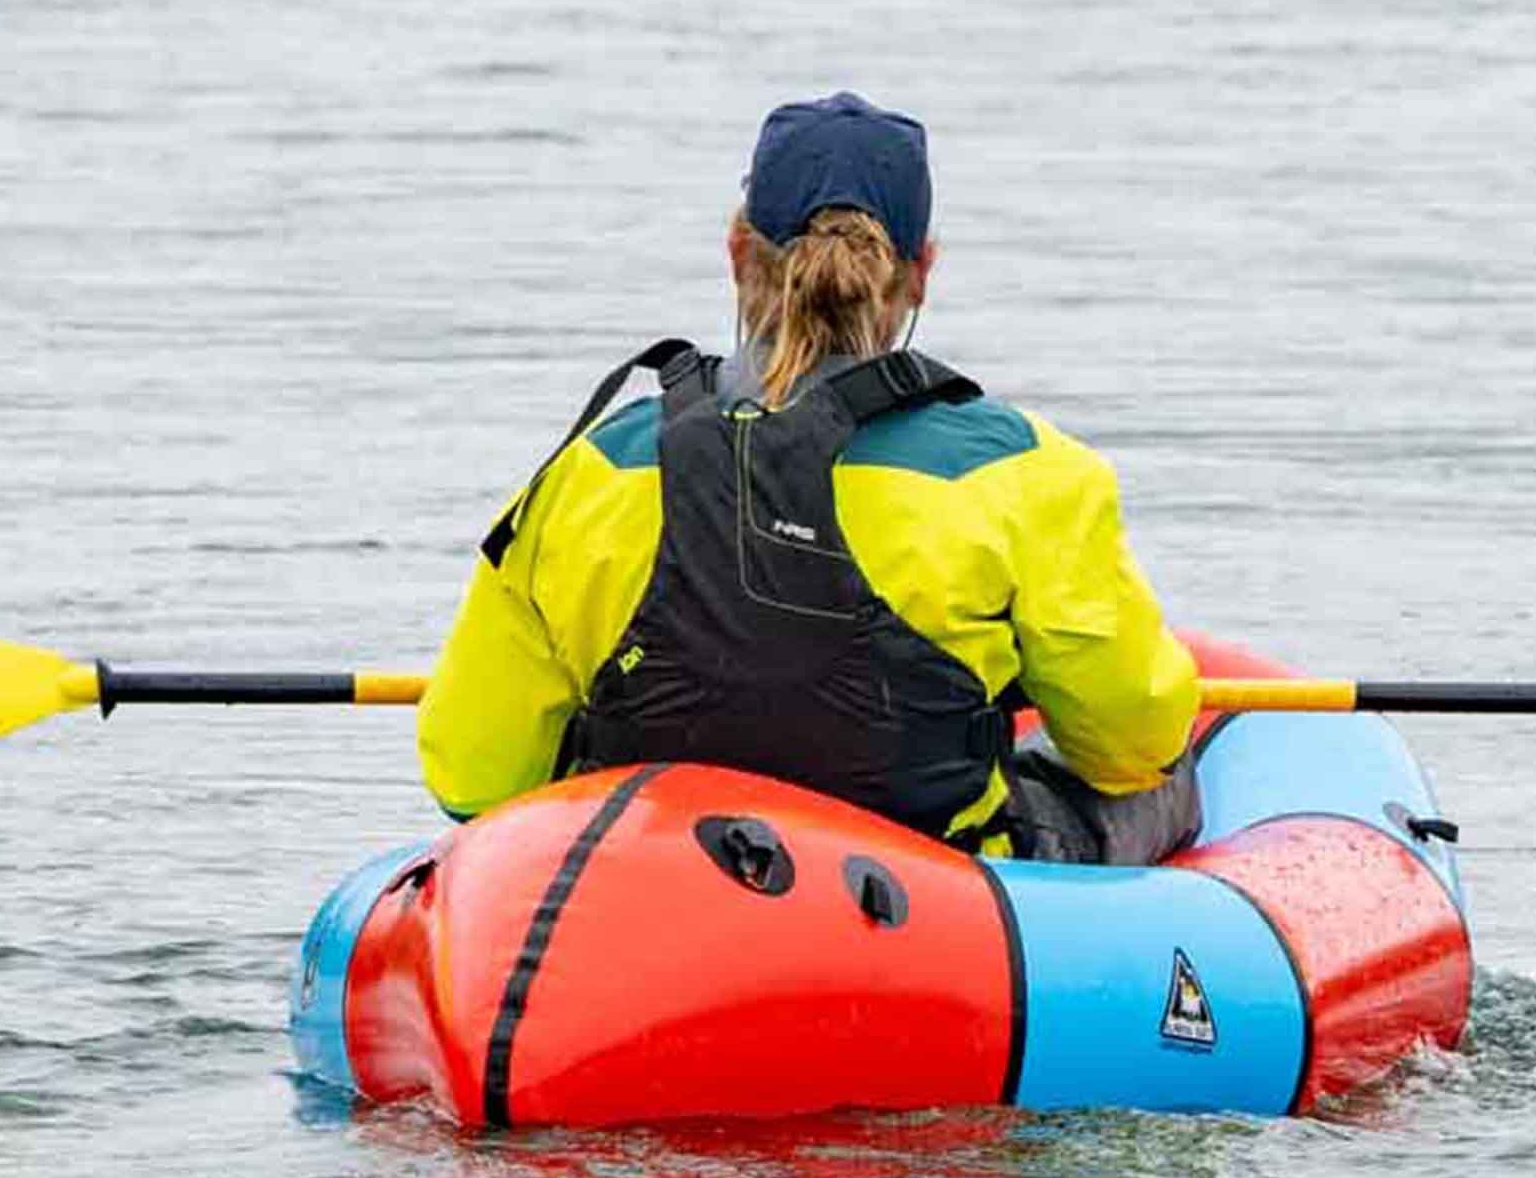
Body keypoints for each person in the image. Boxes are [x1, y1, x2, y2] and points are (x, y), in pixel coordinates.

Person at [414, 92, 1206, 864]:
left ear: (735, 252)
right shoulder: (1026, 473)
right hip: (932, 897)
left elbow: (476, 774)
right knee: (1170, 781)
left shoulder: (588, 473)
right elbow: (1131, 744)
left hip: (649, 892)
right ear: (920, 272)